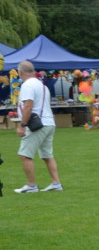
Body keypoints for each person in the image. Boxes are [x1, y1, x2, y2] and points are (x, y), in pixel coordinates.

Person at [14, 61, 63, 193]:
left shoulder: (27, 85)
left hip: (37, 125)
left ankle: (32, 185)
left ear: (21, 72)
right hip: (49, 123)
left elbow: (28, 106)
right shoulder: (42, 86)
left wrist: (22, 125)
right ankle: (56, 183)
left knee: (24, 155)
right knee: (47, 154)